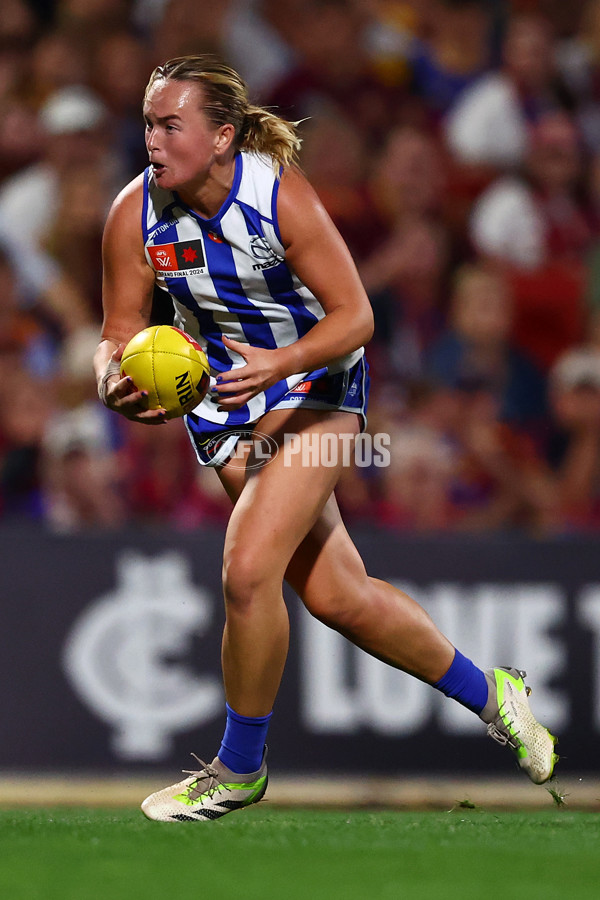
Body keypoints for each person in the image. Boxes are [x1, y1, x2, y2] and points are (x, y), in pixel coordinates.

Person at [94, 55, 558, 823]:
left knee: (248, 570)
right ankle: (493, 693)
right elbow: (114, 335)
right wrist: (113, 380)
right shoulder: (131, 212)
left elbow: (356, 316)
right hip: (223, 404)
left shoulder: (276, 195)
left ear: (222, 137)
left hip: (316, 383)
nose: (153, 139)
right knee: (338, 596)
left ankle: (239, 769)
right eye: (148, 123)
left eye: (171, 124)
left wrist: (281, 362)